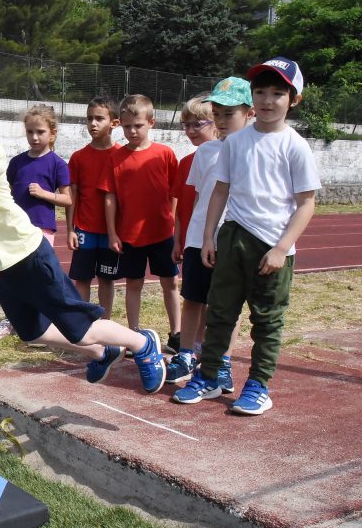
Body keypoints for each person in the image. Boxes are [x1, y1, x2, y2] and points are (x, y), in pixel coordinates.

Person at [0, 62, 166, 393]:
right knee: (32, 331)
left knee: (80, 326)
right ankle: (101, 350)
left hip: (26, 254)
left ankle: (141, 343)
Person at [174, 58, 319, 415]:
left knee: (266, 320)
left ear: (294, 99)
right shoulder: (235, 143)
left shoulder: (295, 146)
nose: (268, 100)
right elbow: (219, 191)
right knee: (220, 311)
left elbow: (306, 204)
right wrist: (208, 238)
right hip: (231, 237)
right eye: (260, 92)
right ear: (252, 99)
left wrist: (281, 248)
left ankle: (258, 385)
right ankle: (208, 376)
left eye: (278, 93)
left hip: (271, 246)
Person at [166, 79, 253, 386]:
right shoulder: (205, 153)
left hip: (234, 240)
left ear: (248, 113)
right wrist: (187, 236)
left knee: (226, 305)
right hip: (197, 238)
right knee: (193, 299)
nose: (221, 119)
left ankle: (222, 361)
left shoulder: (253, 151)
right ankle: (186, 355)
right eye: (217, 112)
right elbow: (202, 197)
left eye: (229, 113)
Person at [101, 94, 181, 353]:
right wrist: (113, 233)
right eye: (127, 126)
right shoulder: (115, 158)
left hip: (161, 234)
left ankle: (177, 335)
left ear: (151, 123)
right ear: (119, 125)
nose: (132, 131)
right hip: (129, 236)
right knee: (133, 284)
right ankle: (134, 336)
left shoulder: (165, 154)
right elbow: (110, 198)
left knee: (170, 283)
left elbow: (174, 193)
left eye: (138, 125)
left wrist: (171, 225)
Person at [0, 104, 71, 342]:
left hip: (42, 229)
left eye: (40, 132)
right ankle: (13, 319)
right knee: (13, 275)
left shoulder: (57, 163)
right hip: (15, 228)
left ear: (52, 133)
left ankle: (45, 322)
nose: (34, 137)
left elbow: (68, 199)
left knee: (40, 277)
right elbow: (7, 192)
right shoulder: (17, 163)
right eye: (30, 132)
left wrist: (45, 194)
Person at [65, 97, 122, 319]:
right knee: (82, 278)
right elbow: (73, 195)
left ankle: (105, 321)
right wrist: (70, 229)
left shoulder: (121, 156)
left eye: (99, 118)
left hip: (110, 232)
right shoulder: (79, 158)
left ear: (114, 123)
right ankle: (83, 321)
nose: (93, 124)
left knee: (106, 279)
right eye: (89, 119)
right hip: (85, 229)